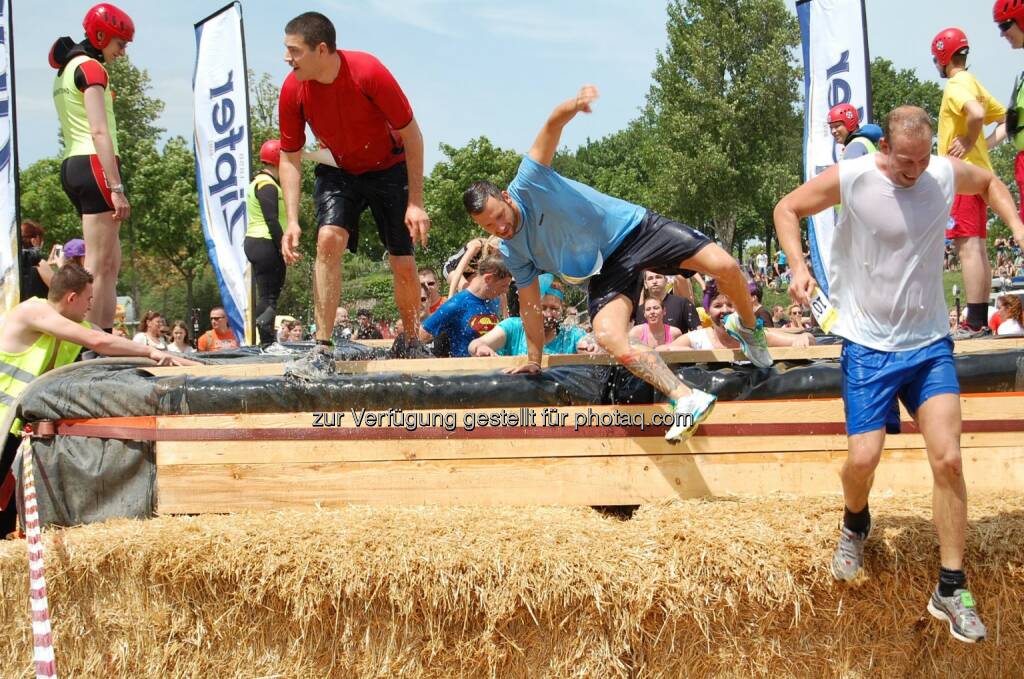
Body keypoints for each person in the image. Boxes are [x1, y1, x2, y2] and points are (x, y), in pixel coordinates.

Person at [774, 105, 1024, 643]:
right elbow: (787, 208)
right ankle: (855, 521)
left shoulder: (940, 172)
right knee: (862, 459)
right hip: (867, 345)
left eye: (923, 158)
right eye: (905, 161)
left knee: (950, 460)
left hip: (929, 344)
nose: (915, 171)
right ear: (885, 146)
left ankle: (951, 588)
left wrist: (1018, 227)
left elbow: (989, 183)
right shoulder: (856, 178)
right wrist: (798, 266)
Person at [462, 86, 771, 443]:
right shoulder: (514, 251)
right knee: (609, 335)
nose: (499, 228)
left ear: (504, 197)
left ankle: (748, 328)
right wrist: (534, 357)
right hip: (607, 269)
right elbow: (529, 304)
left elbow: (551, 125)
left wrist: (574, 106)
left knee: (725, 265)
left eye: (499, 217)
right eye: (488, 227)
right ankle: (685, 398)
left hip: (636, 229)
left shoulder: (529, 181)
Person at [277, 11, 430, 373]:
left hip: (388, 169)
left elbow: (412, 135)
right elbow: (289, 157)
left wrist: (416, 202)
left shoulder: (368, 72)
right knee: (328, 239)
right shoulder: (292, 88)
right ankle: (322, 348)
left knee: (403, 264)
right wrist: (293, 220)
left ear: (322, 49)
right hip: (339, 169)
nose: (287, 58)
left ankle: (410, 340)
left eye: (294, 51)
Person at [0, 264, 195, 535]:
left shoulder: (69, 323)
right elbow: (97, 341)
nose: (89, 306)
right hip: (3, 420)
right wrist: (151, 354)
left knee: (7, 501)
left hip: (16, 425)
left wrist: (177, 361)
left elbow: (107, 339)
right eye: (88, 299)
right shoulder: (33, 312)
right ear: (71, 298)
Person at [49, 4, 134, 332]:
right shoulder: (91, 69)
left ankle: (102, 339)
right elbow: (99, 130)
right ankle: (92, 345)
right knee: (99, 265)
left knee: (111, 264)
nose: (122, 52)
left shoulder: (67, 68)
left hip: (74, 163)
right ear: (101, 36)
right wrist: (116, 188)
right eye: (120, 44)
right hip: (96, 164)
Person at [933, 27, 1007, 338]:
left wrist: (967, 139)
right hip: (981, 176)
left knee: (968, 248)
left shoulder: (955, 86)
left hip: (961, 177)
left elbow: (975, 113)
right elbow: (1007, 120)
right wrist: (983, 146)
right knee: (978, 247)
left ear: (942, 57)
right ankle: (977, 317)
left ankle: (974, 323)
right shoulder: (974, 82)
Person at [660, 282, 814, 351]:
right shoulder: (696, 339)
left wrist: (804, 338)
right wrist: (679, 350)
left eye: (730, 305)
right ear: (707, 311)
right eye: (718, 306)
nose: (725, 310)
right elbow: (660, 351)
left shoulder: (754, 335)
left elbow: (807, 337)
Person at [421, 255, 510, 357]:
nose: (506, 290)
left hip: (494, 369)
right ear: (488, 279)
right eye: (504, 286)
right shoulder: (456, 304)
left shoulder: (495, 300)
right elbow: (422, 334)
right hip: (465, 370)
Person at [470, 281, 589, 357]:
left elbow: (589, 343)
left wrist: (590, 348)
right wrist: (481, 348)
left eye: (554, 308)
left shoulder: (571, 335)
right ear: (532, 306)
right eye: (542, 307)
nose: (548, 314)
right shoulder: (513, 327)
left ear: (562, 309)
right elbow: (475, 344)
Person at [244, 139, 288, 344]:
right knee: (270, 295)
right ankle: (268, 342)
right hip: (265, 241)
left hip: (257, 241)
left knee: (266, 294)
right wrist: (283, 246)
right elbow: (271, 218)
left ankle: (266, 341)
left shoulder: (258, 181)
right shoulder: (267, 184)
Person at [634, 270, 700, 334]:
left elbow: (698, 332)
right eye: (650, 278)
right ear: (645, 284)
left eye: (658, 277)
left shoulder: (682, 303)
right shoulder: (640, 310)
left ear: (666, 281)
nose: (654, 281)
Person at [18, 220, 50, 301]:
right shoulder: (39, 263)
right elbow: (60, 291)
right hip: (38, 311)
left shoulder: (14, 263)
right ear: (34, 240)